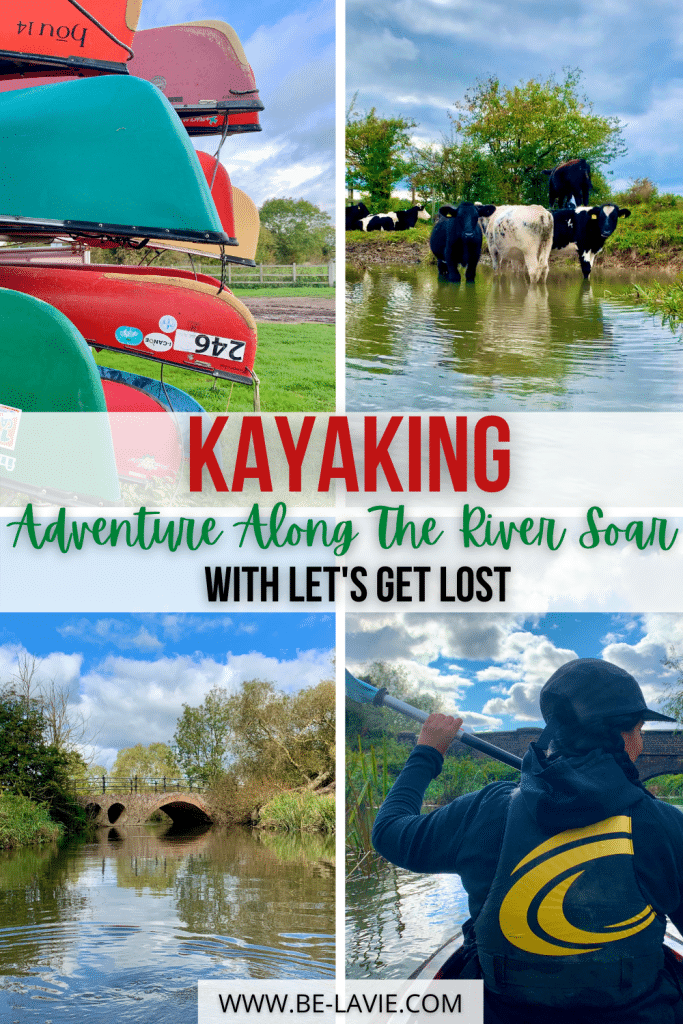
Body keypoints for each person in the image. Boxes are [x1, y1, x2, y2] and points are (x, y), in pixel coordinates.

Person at [372, 658, 683, 1024]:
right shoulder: (664, 826)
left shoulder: (486, 812)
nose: (642, 743)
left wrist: (427, 751)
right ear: (622, 737)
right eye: (640, 730)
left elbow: (389, 829)